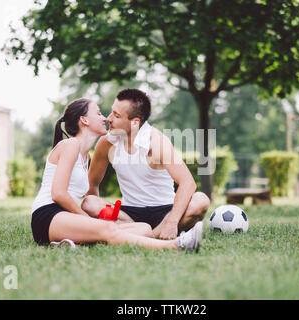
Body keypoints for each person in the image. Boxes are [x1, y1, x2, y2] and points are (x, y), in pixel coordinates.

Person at [30, 98, 203, 251]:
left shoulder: (84, 155)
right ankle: (175, 245)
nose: (105, 117)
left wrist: (93, 223)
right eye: (98, 113)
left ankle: (76, 242)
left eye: (113, 114)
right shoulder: (71, 145)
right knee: (107, 229)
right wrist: (89, 220)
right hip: (48, 215)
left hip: (66, 217)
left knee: (143, 229)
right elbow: (58, 194)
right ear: (84, 120)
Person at [82, 89, 210, 240]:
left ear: (135, 122)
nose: (109, 118)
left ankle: (144, 235)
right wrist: (95, 219)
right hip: (128, 215)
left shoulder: (156, 142)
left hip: (164, 212)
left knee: (201, 200)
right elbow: (92, 185)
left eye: (116, 116)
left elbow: (188, 183)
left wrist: (172, 222)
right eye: (111, 112)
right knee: (89, 203)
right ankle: (143, 235)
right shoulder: (106, 143)